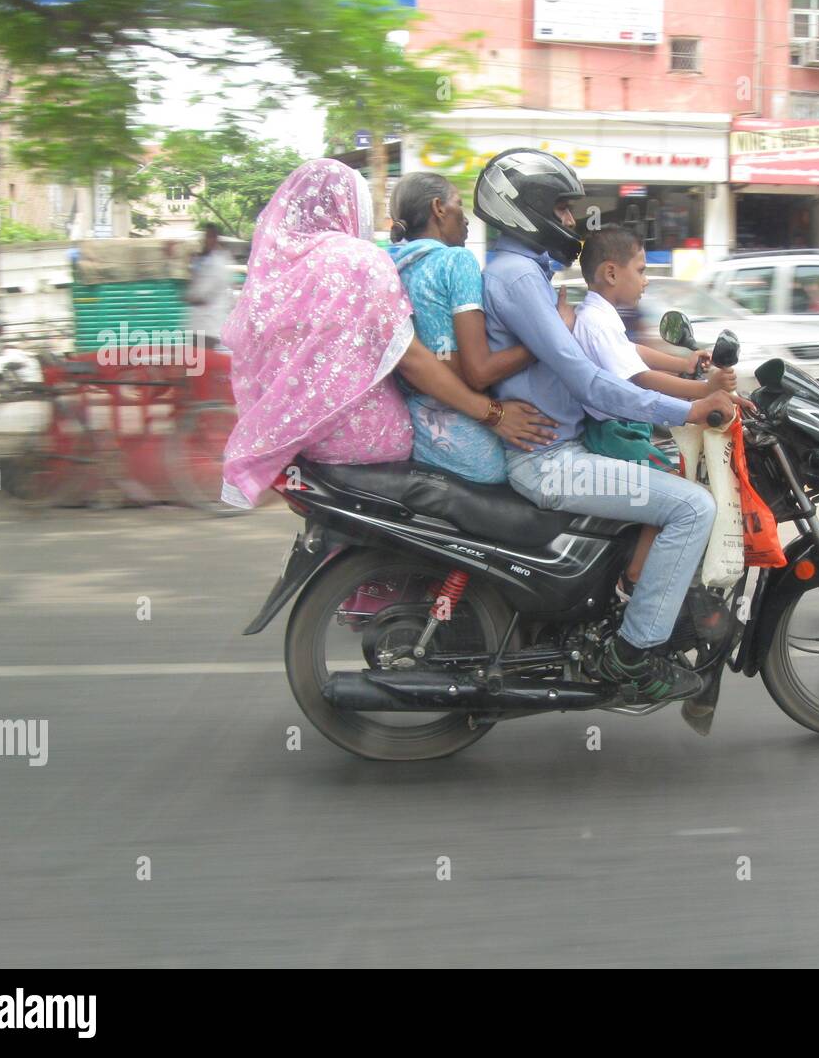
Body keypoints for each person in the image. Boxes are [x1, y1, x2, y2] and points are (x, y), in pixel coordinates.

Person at [475, 148, 734, 706]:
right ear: (530, 209)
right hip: (551, 461)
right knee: (693, 506)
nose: (572, 224)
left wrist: (689, 380)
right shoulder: (519, 277)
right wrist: (687, 410)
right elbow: (589, 382)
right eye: (564, 211)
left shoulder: (528, 273)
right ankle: (632, 656)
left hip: (558, 451)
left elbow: (606, 367)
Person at [220, 158, 556, 509]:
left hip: (299, 444)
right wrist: (494, 412)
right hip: (368, 440)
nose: (466, 217)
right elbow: (411, 359)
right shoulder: (363, 260)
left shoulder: (278, 275)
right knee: (509, 487)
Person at [573, 225, 736, 591]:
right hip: (611, 433)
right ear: (612, 273)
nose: (646, 281)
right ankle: (636, 574)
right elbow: (640, 378)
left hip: (621, 426)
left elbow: (633, 352)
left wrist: (685, 361)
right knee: (674, 481)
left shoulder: (600, 316)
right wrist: (703, 390)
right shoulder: (596, 322)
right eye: (642, 270)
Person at [390, 171, 552, 484]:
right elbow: (479, 372)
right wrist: (547, 340)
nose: (465, 219)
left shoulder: (394, 264)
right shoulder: (457, 261)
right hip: (463, 430)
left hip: (416, 424)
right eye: (459, 204)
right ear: (439, 208)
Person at [187, 223, 234, 349]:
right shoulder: (203, 259)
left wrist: (190, 297)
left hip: (209, 325)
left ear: (215, 238)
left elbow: (203, 295)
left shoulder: (218, 263)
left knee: (202, 363)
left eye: (209, 236)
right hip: (199, 324)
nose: (206, 240)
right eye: (205, 237)